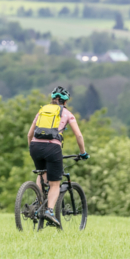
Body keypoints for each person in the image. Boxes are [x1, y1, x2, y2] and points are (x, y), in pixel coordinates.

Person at [27, 86, 88, 227]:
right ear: (65, 102)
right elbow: (78, 135)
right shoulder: (67, 113)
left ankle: (38, 201)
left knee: (42, 173)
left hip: (35, 146)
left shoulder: (41, 111)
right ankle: (49, 211)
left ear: (52, 99)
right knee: (55, 183)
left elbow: (30, 134)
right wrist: (83, 152)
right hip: (53, 147)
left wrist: (32, 149)